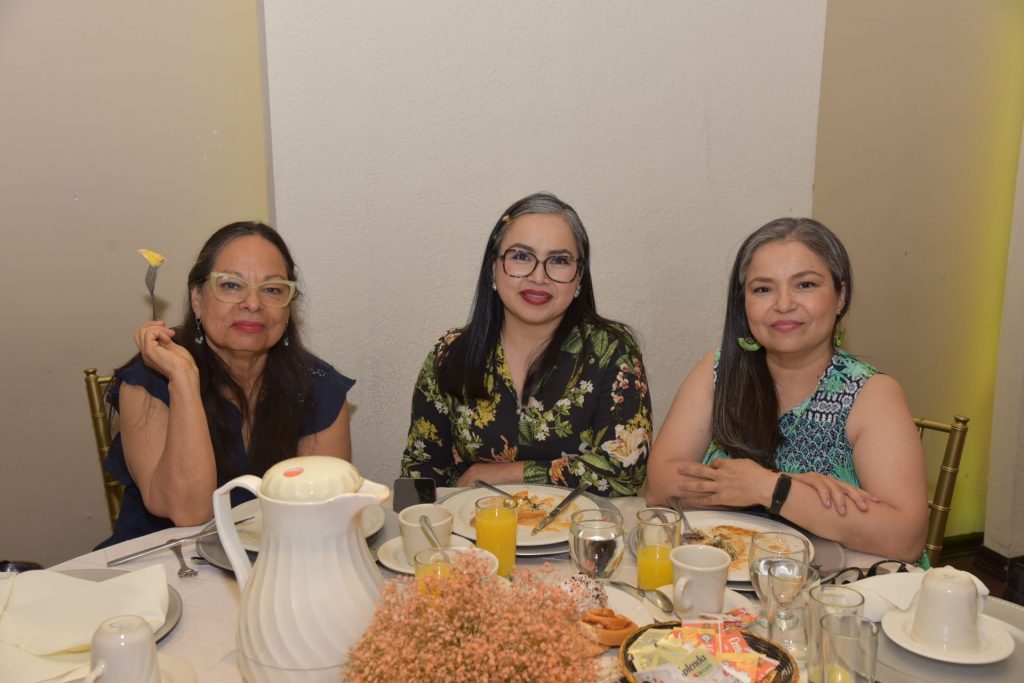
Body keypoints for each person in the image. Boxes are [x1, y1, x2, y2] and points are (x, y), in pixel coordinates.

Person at [645, 218, 928, 562]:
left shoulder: (871, 393)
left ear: (840, 296)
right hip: (727, 569)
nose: (783, 304)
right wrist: (785, 488)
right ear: (743, 302)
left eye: (805, 285)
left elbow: (905, 538)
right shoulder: (720, 371)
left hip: (842, 583)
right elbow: (659, 486)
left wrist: (771, 489)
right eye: (763, 289)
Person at [96, 222, 354, 547]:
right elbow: (188, 511)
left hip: (278, 557)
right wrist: (184, 381)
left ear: (289, 307)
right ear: (197, 299)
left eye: (272, 289)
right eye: (231, 285)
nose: (253, 303)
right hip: (160, 562)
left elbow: (323, 513)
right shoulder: (150, 380)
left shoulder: (319, 387)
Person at [401, 192, 651, 495]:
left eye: (559, 260)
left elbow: (626, 472)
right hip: (473, 523)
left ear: (579, 277)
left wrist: (509, 473)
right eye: (521, 256)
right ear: (493, 267)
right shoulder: (450, 353)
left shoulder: (612, 350)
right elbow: (420, 470)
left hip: (579, 525)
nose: (538, 277)